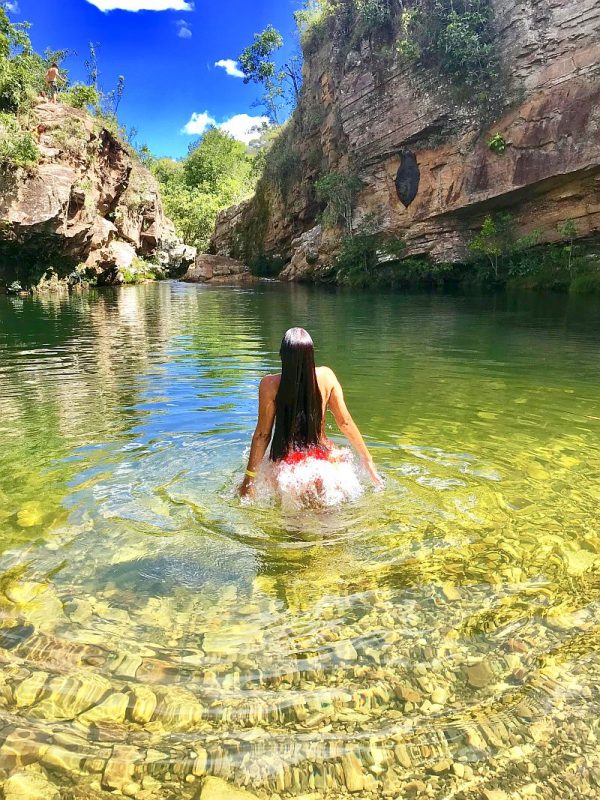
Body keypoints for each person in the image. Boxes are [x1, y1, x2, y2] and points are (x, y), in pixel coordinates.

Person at [240, 327, 381, 502]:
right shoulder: (327, 377)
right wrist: (367, 459)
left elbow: (262, 435)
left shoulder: (269, 385)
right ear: (311, 356)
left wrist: (249, 478)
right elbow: (344, 422)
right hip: (324, 460)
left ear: (283, 355)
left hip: (287, 465)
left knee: (292, 523)